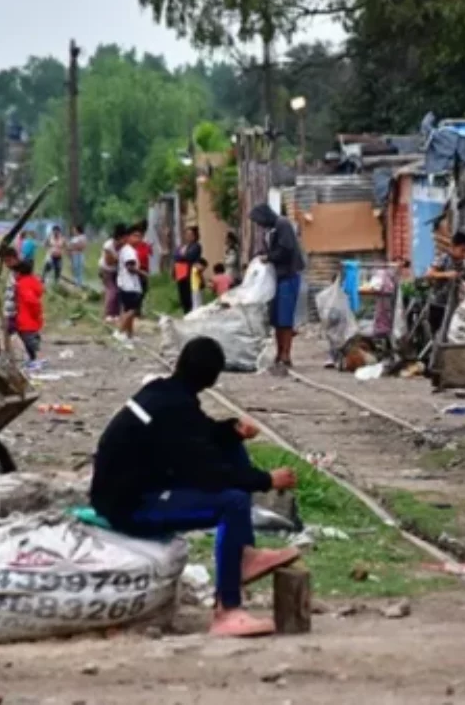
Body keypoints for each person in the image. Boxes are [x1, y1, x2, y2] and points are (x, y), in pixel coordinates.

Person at [89, 336, 300, 637]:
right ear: (212, 379)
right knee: (233, 502)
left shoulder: (164, 393)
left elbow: (199, 433)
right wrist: (266, 480)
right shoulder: (177, 407)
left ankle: (245, 555)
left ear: (180, 363)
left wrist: (231, 430)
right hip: (130, 506)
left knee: (231, 448)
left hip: (134, 486)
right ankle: (227, 610)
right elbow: (208, 473)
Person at [249, 204, 306, 370]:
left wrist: (269, 258)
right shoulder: (270, 229)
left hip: (287, 276)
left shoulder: (283, 225)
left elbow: (286, 250)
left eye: (258, 220)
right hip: (276, 277)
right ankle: (279, 352)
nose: (258, 224)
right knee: (276, 318)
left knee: (285, 318)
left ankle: (286, 354)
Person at [424, 231, 465, 336]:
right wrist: (446, 274)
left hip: (455, 307)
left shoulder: (464, 264)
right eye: (462, 250)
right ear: (453, 247)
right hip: (438, 304)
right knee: (437, 336)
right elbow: (429, 274)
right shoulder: (443, 258)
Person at [13, 260, 45, 366]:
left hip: (26, 317)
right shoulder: (33, 282)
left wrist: (35, 314)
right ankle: (33, 358)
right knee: (29, 337)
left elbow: (31, 301)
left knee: (28, 339)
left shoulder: (23, 284)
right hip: (31, 317)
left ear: (20, 272)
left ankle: (34, 358)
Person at [115, 226, 143, 342]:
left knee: (129, 310)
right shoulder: (128, 250)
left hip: (126, 283)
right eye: (135, 236)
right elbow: (130, 267)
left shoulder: (127, 250)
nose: (138, 239)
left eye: (140, 237)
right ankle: (119, 331)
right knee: (132, 310)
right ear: (128, 237)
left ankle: (129, 334)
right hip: (129, 284)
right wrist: (143, 274)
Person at [98, 225, 127, 323]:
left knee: (119, 292)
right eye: (123, 238)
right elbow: (109, 261)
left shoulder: (125, 246)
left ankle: (116, 314)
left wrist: (118, 260)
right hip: (106, 270)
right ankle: (108, 314)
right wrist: (119, 259)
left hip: (117, 271)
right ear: (118, 237)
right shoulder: (108, 245)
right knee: (112, 291)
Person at [173, 226, 202, 315]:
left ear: (195, 235)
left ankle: (191, 312)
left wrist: (182, 256)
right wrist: (183, 256)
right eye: (186, 234)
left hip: (191, 273)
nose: (188, 236)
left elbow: (190, 257)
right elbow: (175, 256)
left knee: (191, 295)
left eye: (190, 234)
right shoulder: (182, 246)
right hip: (181, 272)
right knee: (183, 295)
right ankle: (185, 312)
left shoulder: (196, 246)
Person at [0, 246, 21, 351]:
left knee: (14, 336)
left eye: (8, 261)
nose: (6, 264)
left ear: (15, 258)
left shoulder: (19, 272)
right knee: (8, 334)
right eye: (5, 262)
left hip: (15, 311)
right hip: (9, 310)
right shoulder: (12, 272)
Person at [132, 220, 153, 307]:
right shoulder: (135, 241)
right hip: (138, 266)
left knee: (143, 288)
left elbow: (149, 253)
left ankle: (137, 308)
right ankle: (136, 308)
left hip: (144, 266)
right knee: (139, 288)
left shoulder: (145, 242)